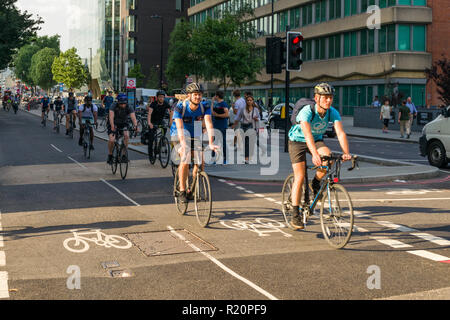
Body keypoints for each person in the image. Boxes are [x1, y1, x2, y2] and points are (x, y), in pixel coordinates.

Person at [288, 83, 351, 230]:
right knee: (300, 176)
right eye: (325, 98)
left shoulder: (332, 112)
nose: (328, 101)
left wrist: (346, 152)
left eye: (330, 98)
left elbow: (340, 133)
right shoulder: (307, 112)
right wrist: (315, 155)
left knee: (327, 156)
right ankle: (295, 215)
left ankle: (316, 182)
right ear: (316, 98)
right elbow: (307, 134)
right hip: (297, 140)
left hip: (316, 140)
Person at [170, 82, 219, 203]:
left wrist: (211, 143)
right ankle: (182, 190)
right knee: (186, 157)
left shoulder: (204, 106)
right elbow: (180, 128)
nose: (198, 97)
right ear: (189, 95)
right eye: (195, 94)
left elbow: (208, 123)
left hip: (195, 132)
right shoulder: (180, 107)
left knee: (200, 161)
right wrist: (183, 145)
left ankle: (191, 188)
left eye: (200, 94)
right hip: (178, 133)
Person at [107, 94, 139, 164]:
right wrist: (112, 126)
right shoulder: (113, 105)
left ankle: (124, 155)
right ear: (118, 102)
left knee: (126, 135)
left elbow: (133, 117)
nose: (123, 105)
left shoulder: (129, 107)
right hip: (114, 123)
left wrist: (136, 126)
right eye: (121, 104)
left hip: (124, 123)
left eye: (124, 103)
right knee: (112, 140)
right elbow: (111, 117)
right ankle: (110, 155)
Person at [235, 94, 260, 164]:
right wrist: (234, 124)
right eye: (248, 100)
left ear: (253, 101)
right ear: (246, 101)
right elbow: (238, 117)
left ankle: (247, 158)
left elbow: (259, 118)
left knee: (248, 143)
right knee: (245, 143)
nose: (249, 101)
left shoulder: (255, 109)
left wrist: (256, 118)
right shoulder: (243, 109)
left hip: (251, 126)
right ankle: (247, 158)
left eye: (250, 100)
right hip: (243, 126)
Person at [147, 90, 171, 159]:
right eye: (160, 97)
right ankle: (151, 155)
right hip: (153, 121)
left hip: (160, 121)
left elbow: (171, 112)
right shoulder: (153, 104)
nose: (161, 98)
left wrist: (170, 122)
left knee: (165, 128)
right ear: (157, 97)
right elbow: (149, 114)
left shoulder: (166, 104)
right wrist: (149, 123)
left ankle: (162, 141)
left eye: (163, 97)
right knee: (151, 138)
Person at [211, 90, 230, 164]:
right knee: (214, 142)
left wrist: (218, 115)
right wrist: (212, 103)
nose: (214, 97)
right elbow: (212, 112)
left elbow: (227, 114)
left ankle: (225, 159)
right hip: (216, 125)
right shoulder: (216, 104)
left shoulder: (223, 104)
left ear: (217, 96)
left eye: (215, 95)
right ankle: (213, 159)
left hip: (222, 125)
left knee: (223, 142)